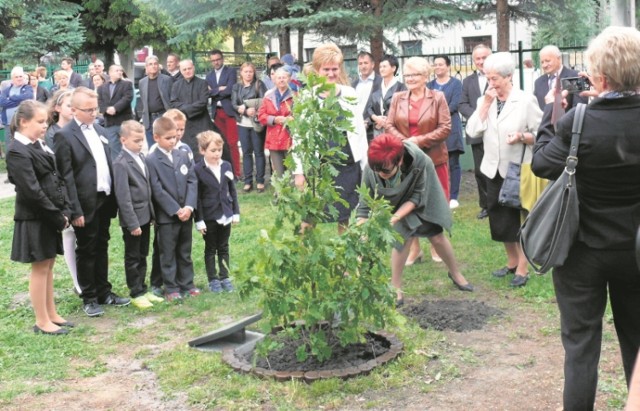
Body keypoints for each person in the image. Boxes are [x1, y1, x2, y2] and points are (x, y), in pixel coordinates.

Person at [532, 26, 640, 410]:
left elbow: (541, 163)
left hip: (581, 250)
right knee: (638, 345)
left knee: (580, 346)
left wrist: (553, 109)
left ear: (601, 77)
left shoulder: (577, 120)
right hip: (635, 249)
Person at [356, 134, 473, 306]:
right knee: (404, 236)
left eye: (386, 171)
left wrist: (393, 218)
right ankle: (395, 288)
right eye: (377, 170)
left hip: (425, 194)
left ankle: (455, 273)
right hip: (397, 201)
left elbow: (417, 197)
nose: (381, 174)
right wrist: (360, 238)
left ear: (400, 160)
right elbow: (364, 208)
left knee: (437, 237)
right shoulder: (372, 168)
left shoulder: (420, 161)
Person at [465, 52, 542, 288]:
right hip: (492, 168)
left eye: (495, 78)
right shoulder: (483, 101)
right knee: (499, 219)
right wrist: (486, 103)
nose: (491, 83)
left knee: (519, 218)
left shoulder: (525, 100)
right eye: (488, 78)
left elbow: (541, 135)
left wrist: (522, 136)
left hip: (517, 169)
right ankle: (511, 261)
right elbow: (472, 131)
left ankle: (523, 266)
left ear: (509, 77)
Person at [54, 87, 129, 317]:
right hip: (84, 202)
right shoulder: (65, 135)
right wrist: (74, 209)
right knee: (86, 248)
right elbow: (65, 176)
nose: (94, 113)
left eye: (95, 108)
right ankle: (89, 296)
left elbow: (105, 161)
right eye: (88, 110)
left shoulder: (100, 128)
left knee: (102, 244)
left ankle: (104, 291)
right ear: (74, 110)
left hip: (104, 198)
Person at [7, 100, 73, 335]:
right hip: (35, 216)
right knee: (40, 267)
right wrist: (56, 216)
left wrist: (64, 208)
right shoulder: (17, 150)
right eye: (40, 121)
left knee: (49, 263)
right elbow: (32, 191)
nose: (45, 126)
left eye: (46, 121)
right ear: (23, 122)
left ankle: (51, 313)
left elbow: (56, 177)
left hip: (49, 214)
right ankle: (41, 321)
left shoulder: (38, 144)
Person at [295, 43, 368, 232]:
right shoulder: (307, 97)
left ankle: (345, 257)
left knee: (345, 215)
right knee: (310, 215)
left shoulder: (350, 94)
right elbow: (299, 137)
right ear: (317, 70)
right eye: (326, 69)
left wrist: (366, 166)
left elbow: (359, 132)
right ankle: (303, 257)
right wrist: (299, 172)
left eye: (334, 69)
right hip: (319, 167)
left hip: (347, 163)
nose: (330, 73)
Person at [385, 56, 451, 265]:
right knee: (406, 203)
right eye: (408, 75)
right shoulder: (398, 98)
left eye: (415, 75)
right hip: (405, 160)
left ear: (425, 76)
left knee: (435, 202)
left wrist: (419, 141)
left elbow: (445, 128)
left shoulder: (437, 97)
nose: (410, 79)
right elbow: (388, 124)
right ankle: (414, 249)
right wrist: (405, 142)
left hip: (433, 159)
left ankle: (435, 245)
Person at [146, 116, 199, 301]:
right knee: (167, 253)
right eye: (168, 138)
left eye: (175, 136)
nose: (173, 141)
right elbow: (157, 189)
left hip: (186, 214)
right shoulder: (152, 160)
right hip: (167, 217)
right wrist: (176, 209)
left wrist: (189, 207)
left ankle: (187, 283)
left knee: (185, 251)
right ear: (156, 137)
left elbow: (192, 180)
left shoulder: (182, 155)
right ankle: (171, 287)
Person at [113, 120, 163, 309]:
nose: (140, 144)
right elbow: (123, 197)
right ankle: (135, 291)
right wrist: (132, 223)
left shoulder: (141, 157)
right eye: (136, 141)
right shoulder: (121, 164)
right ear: (123, 140)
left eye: (142, 140)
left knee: (143, 254)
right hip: (133, 219)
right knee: (133, 256)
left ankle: (143, 287)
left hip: (145, 216)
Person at [44, 89, 80, 294]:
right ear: (57, 108)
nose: (73, 109)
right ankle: (77, 282)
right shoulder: (52, 133)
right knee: (69, 234)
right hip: (63, 190)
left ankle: (85, 279)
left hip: (80, 188)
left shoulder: (79, 129)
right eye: (69, 105)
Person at [194, 130, 240, 293]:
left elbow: (232, 190)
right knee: (210, 248)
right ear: (203, 150)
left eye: (219, 150)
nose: (217, 154)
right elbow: (197, 198)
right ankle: (213, 279)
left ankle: (224, 276)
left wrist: (235, 212)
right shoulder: (198, 169)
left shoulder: (226, 165)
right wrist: (199, 220)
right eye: (213, 151)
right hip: (209, 215)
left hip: (225, 214)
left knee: (224, 247)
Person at [171, 59, 228, 163]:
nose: (187, 71)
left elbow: (202, 103)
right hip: (185, 125)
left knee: (203, 152)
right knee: (186, 154)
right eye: (184, 69)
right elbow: (174, 103)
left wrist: (184, 108)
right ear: (181, 71)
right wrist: (188, 108)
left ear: (193, 68)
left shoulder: (202, 83)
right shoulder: (176, 85)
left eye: (189, 68)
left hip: (202, 123)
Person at [427, 55, 464, 209]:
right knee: (435, 162)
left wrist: (437, 115)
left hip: (451, 128)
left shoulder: (456, 84)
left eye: (441, 64)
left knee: (453, 162)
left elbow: (455, 104)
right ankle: (439, 195)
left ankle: (453, 196)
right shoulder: (429, 85)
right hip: (432, 129)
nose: (438, 67)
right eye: (435, 65)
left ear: (448, 66)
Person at [231, 62, 267, 192]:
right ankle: (248, 181)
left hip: (256, 122)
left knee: (258, 152)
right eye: (245, 71)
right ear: (241, 73)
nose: (248, 74)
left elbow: (265, 101)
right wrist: (245, 110)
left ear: (254, 73)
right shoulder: (236, 87)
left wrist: (254, 110)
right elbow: (234, 104)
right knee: (246, 153)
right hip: (242, 123)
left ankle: (260, 180)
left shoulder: (259, 84)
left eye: (250, 71)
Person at [206, 49, 240, 177]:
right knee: (220, 144)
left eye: (218, 59)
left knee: (232, 143)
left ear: (222, 59)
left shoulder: (230, 71)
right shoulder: (209, 76)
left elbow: (230, 90)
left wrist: (215, 91)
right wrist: (219, 89)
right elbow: (207, 93)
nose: (216, 62)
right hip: (217, 113)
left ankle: (236, 173)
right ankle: (225, 171)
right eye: (213, 60)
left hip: (229, 111)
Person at [258, 67, 294, 180]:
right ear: (274, 79)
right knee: (279, 172)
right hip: (273, 138)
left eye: (284, 77)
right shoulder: (268, 96)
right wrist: (274, 119)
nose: (281, 80)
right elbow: (261, 116)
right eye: (279, 77)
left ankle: (295, 195)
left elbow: (300, 115)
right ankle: (281, 196)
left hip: (290, 138)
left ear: (288, 79)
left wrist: (290, 119)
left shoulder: (295, 96)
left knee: (293, 170)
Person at [533, 45, 587, 111]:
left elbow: (579, 108)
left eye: (547, 61)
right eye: (542, 62)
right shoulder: (538, 83)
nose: (544, 65)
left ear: (559, 59)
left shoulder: (575, 76)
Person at [365, 54, 407, 139]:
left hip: (395, 130)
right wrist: (376, 118)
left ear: (393, 68)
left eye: (384, 66)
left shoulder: (401, 87)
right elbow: (369, 107)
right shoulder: (376, 86)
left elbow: (402, 109)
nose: (381, 69)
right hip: (378, 129)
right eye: (380, 67)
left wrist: (386, 121)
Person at [97, 64, 134, 160]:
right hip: (110, 122)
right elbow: (100, 102)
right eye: (117, 70)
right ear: (110, 73)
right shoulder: (101, 88)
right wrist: (106, 109)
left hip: (124, 122)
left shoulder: (127, 84)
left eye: (121, 71)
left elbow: (127, 98)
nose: (120, 72)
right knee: (114, 150)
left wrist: (115, 108)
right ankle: (117, 170)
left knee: (128, 147)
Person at [138, 55, 173, 147]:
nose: (153, 66)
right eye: (150, 64)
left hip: (163, 116)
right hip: (149, 120)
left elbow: (172, 98)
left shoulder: (167, 79)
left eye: (155, 64)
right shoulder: (142, 82)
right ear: (146, 67)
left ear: (158, 66)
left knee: (165, 145)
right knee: (152, 147)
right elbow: (143, 99)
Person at [352, 51, 382, 141]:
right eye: (360, 63)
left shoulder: (381, 82)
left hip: (373, 130)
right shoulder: (354, 84)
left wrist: (368, 121)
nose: (363, 66)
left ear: (372, 64)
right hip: (355, 130)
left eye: (366, 63)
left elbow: (382, 107)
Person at [0, 66, 34, 143]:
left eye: (21, 76)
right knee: (10, 145)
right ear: (12, 78)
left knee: (24, 144)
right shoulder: (6, 90)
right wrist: (19, 101)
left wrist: (11, 98)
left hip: (23, 123)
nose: (19, 78)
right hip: (8, 124)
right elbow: (1, 102)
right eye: (16, 77)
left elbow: (28, 96)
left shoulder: (28, 88)